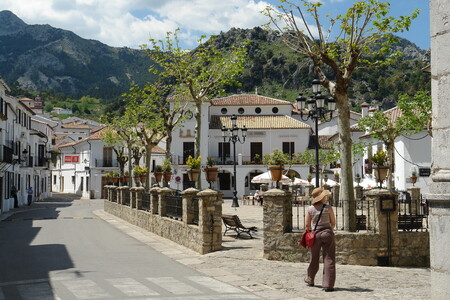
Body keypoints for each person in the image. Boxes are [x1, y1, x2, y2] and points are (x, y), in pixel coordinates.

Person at [304, 187, 336, 292]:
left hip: (316, 235)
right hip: (327, 233)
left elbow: (307, 225)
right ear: (322, 198)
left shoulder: (310, 209)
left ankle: (310, 279)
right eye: (325, 196)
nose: (326, 197)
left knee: (314, 257)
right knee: (329, 258)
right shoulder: (328, 208)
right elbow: (333, 223)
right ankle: (328, 284)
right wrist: (329, 230)